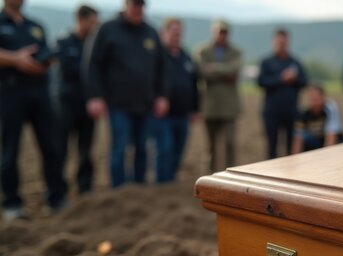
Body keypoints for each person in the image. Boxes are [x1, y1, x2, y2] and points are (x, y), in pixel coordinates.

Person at [86, 0, 169, 187]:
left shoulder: (150, 32)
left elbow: (162, 67)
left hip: (146, 103)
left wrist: (162, 96)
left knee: (142, 147)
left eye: (141, 5)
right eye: (134, 5)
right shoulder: (107, 30)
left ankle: (138, 186)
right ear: (125, 5)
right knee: (120, 147)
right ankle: (119, 189)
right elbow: (93, 65)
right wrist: (95, 96)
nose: (138, 9)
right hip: (118, 104)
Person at [0, 0, 67, 221]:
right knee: (10, 150)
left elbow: (44, 51)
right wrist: (15, 59)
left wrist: (46, 61)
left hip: (39, 93)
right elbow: (13, 58)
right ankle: (12, 203)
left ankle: (56, 197)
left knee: (52, 146)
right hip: (10, 93)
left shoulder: (35, 26)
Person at [55, 4, 99, 194]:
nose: (95, 27)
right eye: (92, 22)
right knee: (60, 148)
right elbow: (69, 69)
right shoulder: (64, 41)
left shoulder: (94, 45)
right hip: (66, 104)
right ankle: (58, 188)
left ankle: (84, 186)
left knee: (86, 149)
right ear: (81, 19)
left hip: (88, 104)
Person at [153, 18, 198, 183]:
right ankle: (162, 182)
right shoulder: (158, 56)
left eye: (179, 33)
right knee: (165, 149)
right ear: (163, 33)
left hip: (183, 114)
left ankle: (171, 180)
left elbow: (194, 84)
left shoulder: (186, 56)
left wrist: (195, 109)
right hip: (164, 115)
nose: (176, 36)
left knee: (179, 150)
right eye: (172, 32)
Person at [194, 20, 241, 172]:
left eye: (225, 32)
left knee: (230, 144)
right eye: (220, 32)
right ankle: (209, 176)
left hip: (229, 108)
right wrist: (224, 71)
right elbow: (201, 72)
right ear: (214, 32)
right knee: (209, 147)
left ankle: (232, 177)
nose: (222, 35)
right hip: (210, 107)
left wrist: (213, 67)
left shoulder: (235, 52)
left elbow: (234, 71)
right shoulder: (203, 51)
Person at [258, 28, 307, 159]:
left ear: (288, 42)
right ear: (273, 42)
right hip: (271, 113)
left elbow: (304, 81)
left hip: (291, 112)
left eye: (284, 42)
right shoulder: (266, 62)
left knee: (291, 148)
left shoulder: (295, 62)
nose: (282, 45)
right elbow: (261, 82)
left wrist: (294, 79)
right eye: (279, 42)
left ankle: (289, 175)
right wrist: (281, 78)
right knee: (272, 147)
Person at [292, 84, 343, 154]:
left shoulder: (330, 108)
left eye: (316, 99)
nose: (313, 103)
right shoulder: (303, 114)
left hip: (334, 144)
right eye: (311, 99)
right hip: (315, 143)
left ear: (323, 98)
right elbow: (298, 138)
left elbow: (331, 137)